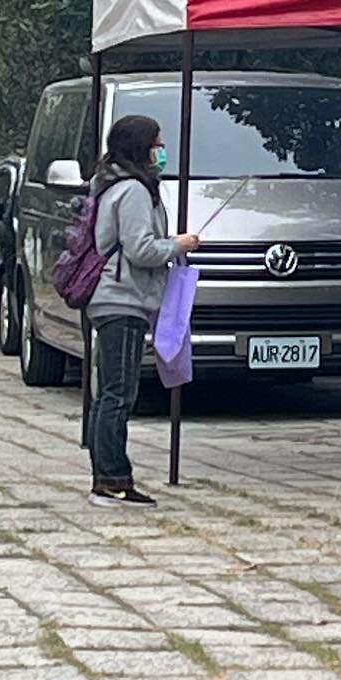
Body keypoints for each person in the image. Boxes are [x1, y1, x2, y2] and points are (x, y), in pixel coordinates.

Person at [84, 114, 199, 507]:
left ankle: (108, 475)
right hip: (122, 299)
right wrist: (178, 245)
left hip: (117, 298)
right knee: (118, 394)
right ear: (141, 147)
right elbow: (140, 249)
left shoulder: (114, 184)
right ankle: (111, 480)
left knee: (109, 392)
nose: (161, 151)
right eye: (157, 144)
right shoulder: (132, 190)